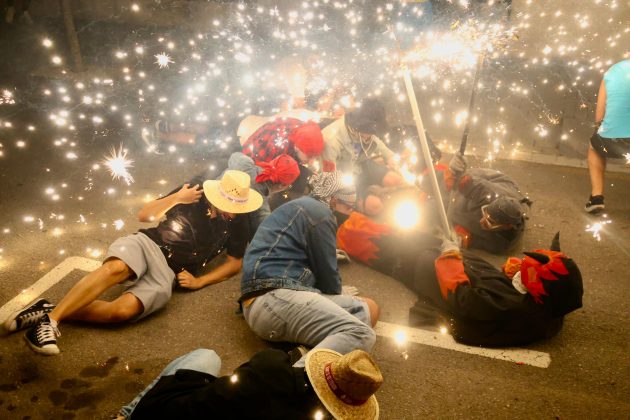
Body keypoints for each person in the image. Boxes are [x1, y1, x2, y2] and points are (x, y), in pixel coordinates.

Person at [4, 171, 262, 355]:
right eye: (228, 204)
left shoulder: (239, 218)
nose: (232, 212)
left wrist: (200, 281)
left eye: (237, 207)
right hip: (149, 243)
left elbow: (234, 262)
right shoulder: (193, 192)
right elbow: (144, 215)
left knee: (121, 312)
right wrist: (176, 198)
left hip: (170, 272)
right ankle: (51, 322)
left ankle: (48, 309)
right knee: (116, 267)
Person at [337, 217, 584, 346]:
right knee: (402, 234)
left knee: (381, 242)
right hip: (451, 261)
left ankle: (336, 231)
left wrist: (449, 256)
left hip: (425, 267)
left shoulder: (512, 307)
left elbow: (461, 296)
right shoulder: (550, 304)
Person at [239, 171, 379, 367]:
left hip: (264, 302)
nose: (349, 213)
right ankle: (295, 377)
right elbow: (329, 278)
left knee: (368, 310)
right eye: (348, 207)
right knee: (361, 334)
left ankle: (301, 353)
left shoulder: (303, 205)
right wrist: (337, 291)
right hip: (273, 299)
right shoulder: (321, 214)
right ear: (333, 200)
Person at [116, 347, 382, 420]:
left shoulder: (270, 366)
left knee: (207, 356)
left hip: (168, 411)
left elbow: (269, 363)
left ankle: (127, 414)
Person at [321, 98, 404, 215]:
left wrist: (389, 156)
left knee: (396, 180)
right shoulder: (331, 141)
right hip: (343, 178)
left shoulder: (363, 130)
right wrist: (341, 200)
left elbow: (374, 140)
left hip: (361, 164)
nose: (373, 133)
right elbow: (328, 178)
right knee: (375, 206)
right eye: (371, 130)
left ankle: (372, 190)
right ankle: (369, 194)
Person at [441, 154, 531, 254]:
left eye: (489, 221)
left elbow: (477, 241)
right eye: (485, 213)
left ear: (508, 226)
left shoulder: (503, 243)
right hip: (493, 179)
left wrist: (464, 238)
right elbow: (469, 183)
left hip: (504, 193)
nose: (482, 220)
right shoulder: (488, 193)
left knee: (450, 212)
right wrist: (456, 173)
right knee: (452, 192)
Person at [585, 57, 630, 214]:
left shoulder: (612, 71)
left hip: (611, 139)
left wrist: (599, 129)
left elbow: (600, 113)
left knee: (594, 147)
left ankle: (596, 197)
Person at [225, 152, 300, 237]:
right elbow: (265, 232)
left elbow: (234, 155)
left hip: (212, 196)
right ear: (281, 186)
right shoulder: (260, 207)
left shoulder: (245, 162)